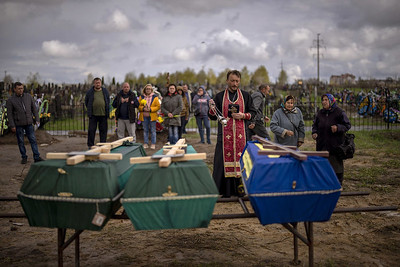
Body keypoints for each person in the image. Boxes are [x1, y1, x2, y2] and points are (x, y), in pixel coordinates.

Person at [208, 70, 257, 197]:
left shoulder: (246, 96)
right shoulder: (219, 96)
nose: (234, 83)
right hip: (224, 137)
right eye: (232, 80)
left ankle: (241, 190)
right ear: (227, 81)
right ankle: (225, 191)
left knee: (242, 162)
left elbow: (253, 113)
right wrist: (212, 108)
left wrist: (243, 115)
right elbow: (213, 116)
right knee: (221, 163)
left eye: (237, 81)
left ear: (239, 81)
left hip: (241, 136)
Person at [312, 94, 351, 185]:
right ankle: (324, 184)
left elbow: (347, 125)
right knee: (322, 166)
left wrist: (338, 128)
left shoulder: (339, 112)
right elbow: (315, 125)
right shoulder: (320, 113)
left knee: (336, 167)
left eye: (326, 100)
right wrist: (314, 132)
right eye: (323, 100)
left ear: (331, 101)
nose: (324, 102)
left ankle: (338, 184)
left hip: (335, 145)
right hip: (322, 145)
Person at [6, 82, 44, 164]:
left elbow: (34, 109)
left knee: (33, 140)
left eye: (22, 88)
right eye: (19, 89)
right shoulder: (11, 100)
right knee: (21, 141)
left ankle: (36, 157)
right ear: (15, 89)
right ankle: (24, 157)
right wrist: (12, 125)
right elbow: (10, 114)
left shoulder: (28, 97)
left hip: (29, 123)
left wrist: (37, 119)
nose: (21, 90)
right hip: (18, 124)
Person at [85, 77, 110, 148]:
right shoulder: (90, 92)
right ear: (94, 84)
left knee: (103, 131)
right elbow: (86, 101)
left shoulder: (105, 91)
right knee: (91, 130)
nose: (98, 84)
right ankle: (90, 145)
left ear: (101, 83)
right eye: (96, 83)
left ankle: (103, 145)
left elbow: (107, 100)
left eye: (99, 83)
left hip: (103, 114)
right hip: (93, 115)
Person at [138, 84, 161, 149]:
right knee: (145, 130)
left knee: (153, 130)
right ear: (144, 90)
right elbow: (138, 106)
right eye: (147, 89)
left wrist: (151, 109)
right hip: (144, 116)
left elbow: (158, 106)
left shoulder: (155, 97)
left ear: (151, 90)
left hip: (152, 116)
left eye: (149, 89)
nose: (148, 90)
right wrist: (143, 109)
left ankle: (153, 144)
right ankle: (146, 143)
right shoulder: (141, 97)